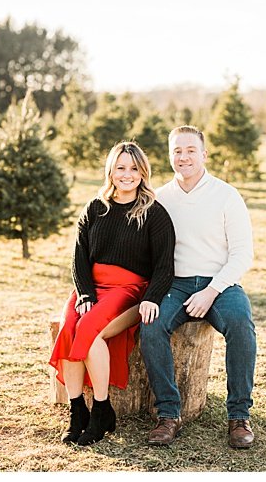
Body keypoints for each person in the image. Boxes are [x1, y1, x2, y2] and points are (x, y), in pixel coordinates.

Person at [49, 141, 175, 445]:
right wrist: (85, 294)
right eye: (121, 168)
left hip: (128, 289)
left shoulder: (154, 214)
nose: (127, 174)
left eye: (134, 168)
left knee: (90, 330)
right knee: (69, 328)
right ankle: (77, 410)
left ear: (143, 173)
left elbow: (164, 265)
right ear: (111, 171)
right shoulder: (95, 208)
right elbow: (78, 257)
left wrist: (152, 297)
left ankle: (102, 409)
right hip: (91, 288)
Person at [141, 125, 257, 449]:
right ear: (170, 156)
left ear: (204, 154)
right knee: (151, 327)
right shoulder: (160, 198)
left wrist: (211, 291)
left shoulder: (226, 195)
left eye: (191, 150)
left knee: (241, 325)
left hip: (220, 283)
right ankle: (168, 414)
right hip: (174, 284)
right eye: (177, 150)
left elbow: (242, 253)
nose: (184, 156)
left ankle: (238, 416)